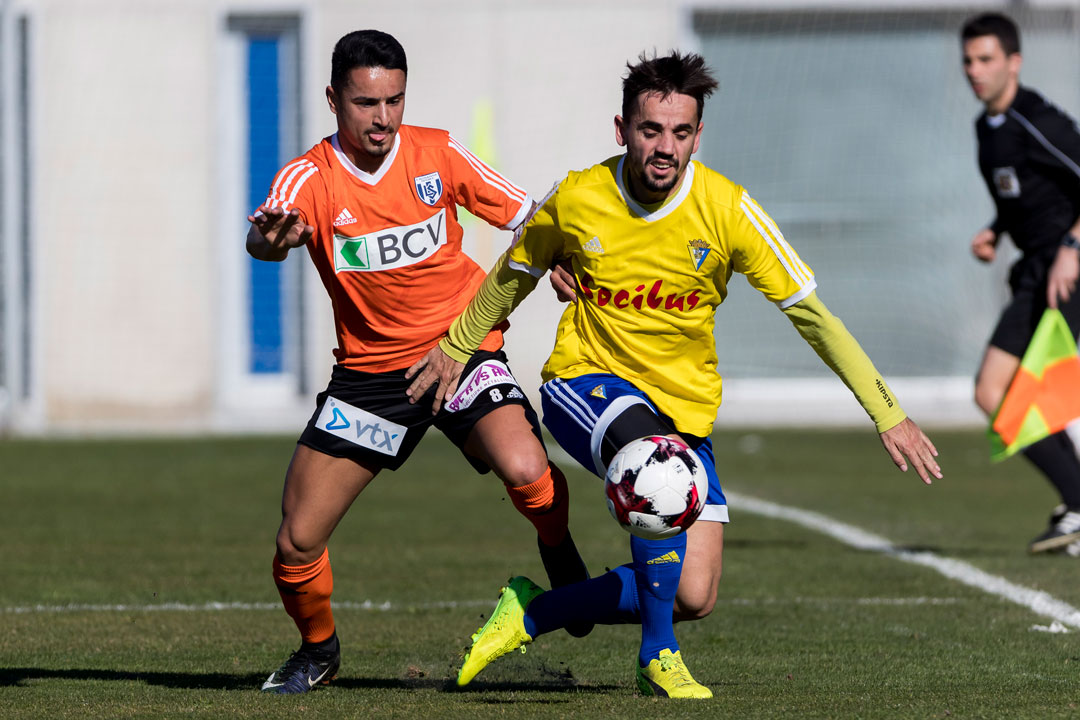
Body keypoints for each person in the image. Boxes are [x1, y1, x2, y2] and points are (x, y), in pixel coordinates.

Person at [405, 50, 942, 698]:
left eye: (680, 133)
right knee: (655, 468)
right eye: (650, 130)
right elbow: (509, 280)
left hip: (682, 410)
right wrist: (455, 349)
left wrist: (887, 411)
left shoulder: (728, 210)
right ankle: (657, 657)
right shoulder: (578, 198)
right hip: (585, 383)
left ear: (698, 135)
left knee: (693, 592)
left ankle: (532, 610)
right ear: (621, 128)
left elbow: (812, 315)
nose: (665, 147)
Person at [246, 29, 589, 694]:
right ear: (333, 100)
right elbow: (266, 236)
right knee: (295, 544)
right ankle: (318, 651)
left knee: (527, 470)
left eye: (394, 101)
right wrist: (269, 240)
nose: (382, 118)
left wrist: (561, 258)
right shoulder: (307, 179)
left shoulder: (436, 153)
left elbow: (529, 214)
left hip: (460, 351)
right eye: (365, 103)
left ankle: (556, 544)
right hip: (372, 381)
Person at [960, 13, 1080, 554]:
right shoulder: (986, 129)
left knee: (1025, 393)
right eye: (968, 60)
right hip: (1035, 272)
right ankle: (1077, 501)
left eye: (986, 59)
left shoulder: (1039, 120)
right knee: (993, 393)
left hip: (1066, 273)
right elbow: (1026, 195)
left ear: (1014, 62)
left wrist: (1071, 250)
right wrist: (996, 229)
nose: (974, 71)